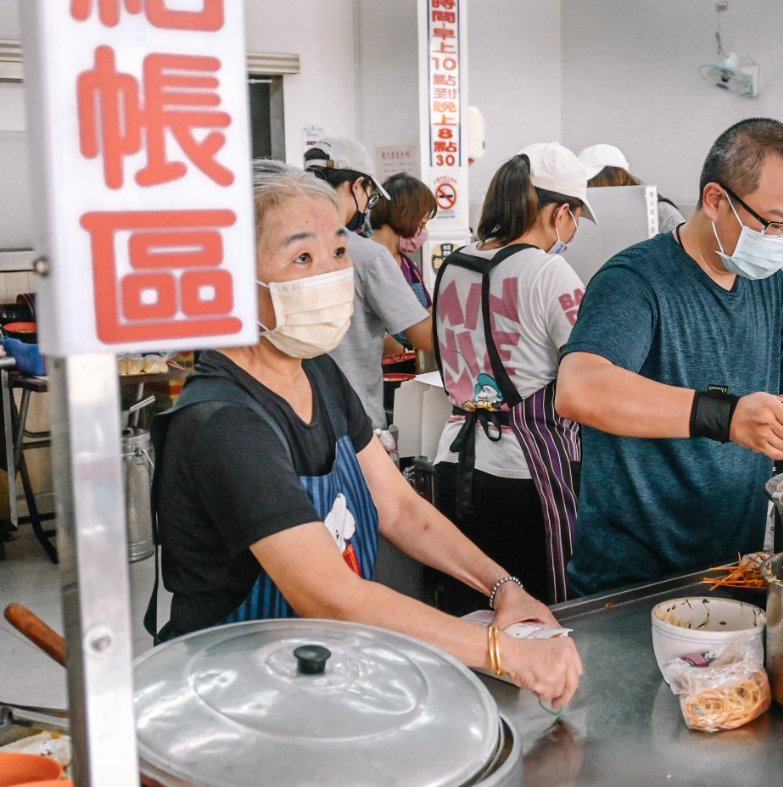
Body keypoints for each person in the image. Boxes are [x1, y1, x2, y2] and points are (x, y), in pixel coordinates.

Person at [148, 160, 582, 708]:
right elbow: (329, 594)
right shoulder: (224, 422)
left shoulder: (317, 372)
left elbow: (400, 509)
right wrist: (500, 651)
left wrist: (503, 588)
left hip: (316, 676)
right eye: (302, 257)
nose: (330, 275)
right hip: (233, 696)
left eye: (336, 252)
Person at [557, 118, 783, 597]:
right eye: (772, 223)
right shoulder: (635, 281)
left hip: (738, 564)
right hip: (635, 579)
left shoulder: (767, 285)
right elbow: (580, 388)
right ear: (715, 200)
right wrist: (724, 416)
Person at [431, 142, 593, 611]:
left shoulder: (453, 264)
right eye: (576, 215)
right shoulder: (550, 272)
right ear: (559, 212)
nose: (574, 228)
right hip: (527, 474)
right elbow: (590, 374)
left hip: (455, 460)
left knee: (472, 612)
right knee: (535, 616)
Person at [304, 136, 434, 429]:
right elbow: (425, 337)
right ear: (357, 185)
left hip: (296, 417)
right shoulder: (366, 255)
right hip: (354, 420)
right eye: (370, 196)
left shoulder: (279, 247)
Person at [369, 173, 437, 351]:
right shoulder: (368, 259)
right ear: (407, 213)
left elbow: (427, 312)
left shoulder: (409, 266)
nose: (422, 229)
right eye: (422, 221)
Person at [579, 143, 686, 233]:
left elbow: (684, 253)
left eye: (593, 182)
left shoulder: (659, 211)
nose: (589, 189)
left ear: (619, 176)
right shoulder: (579, 211)